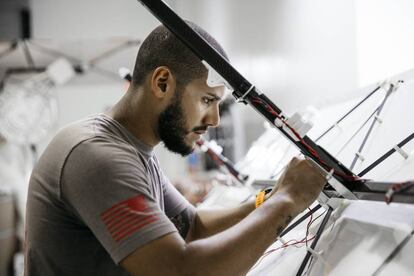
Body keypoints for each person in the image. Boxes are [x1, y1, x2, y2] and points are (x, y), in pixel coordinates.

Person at [25, 22, 326, 276]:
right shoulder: (95, 155)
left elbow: (192, 225)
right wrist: (286, 201)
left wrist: (265, 200)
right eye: (207, 100)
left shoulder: (134, 148)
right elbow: (179, 270)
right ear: (163, 82)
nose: (214, 119)